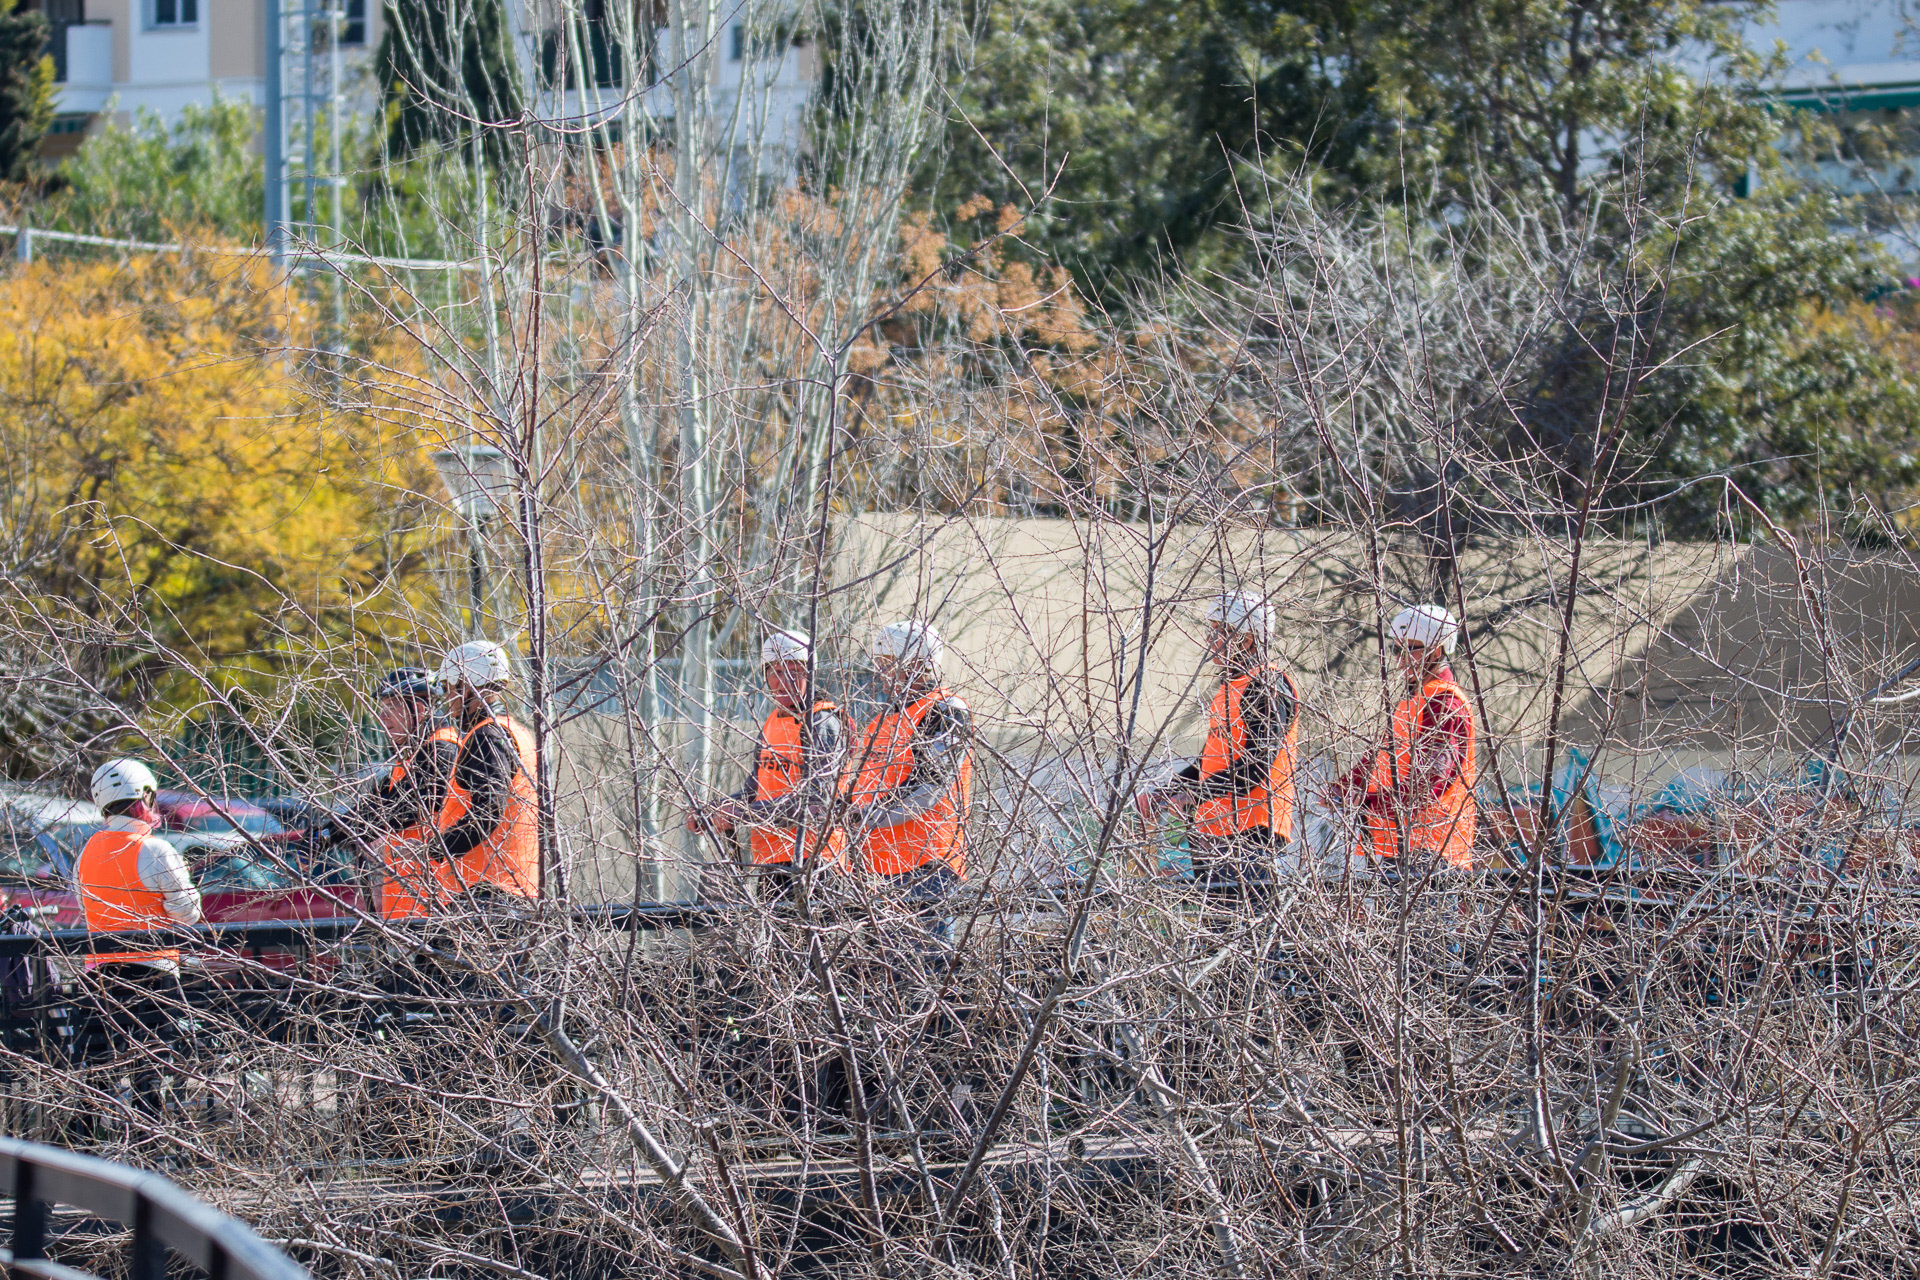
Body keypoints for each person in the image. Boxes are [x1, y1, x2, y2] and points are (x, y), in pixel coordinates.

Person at [1136, 591, 1300, 887]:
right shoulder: (1231, 687)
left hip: (1251, 830)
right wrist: (1166, 792)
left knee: (1243, 927)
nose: (1210, 639)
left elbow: (1258, 765)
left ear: (1248, 639)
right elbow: (1209, 764)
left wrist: (1193, 795)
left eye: (1219, 631)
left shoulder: (1267, 686)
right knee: (1215, 928)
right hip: (1214, 830)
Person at [74, 758, 203, 1113]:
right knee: (154, 1081)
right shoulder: (157, 849)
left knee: (98, 1079)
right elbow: (189, 914)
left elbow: (87, 910)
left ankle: (85, 1156)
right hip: (153, 977)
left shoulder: (85, 852)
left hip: (98, 979)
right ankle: (155, 1155)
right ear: (143, 797)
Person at [686, 629, 850, 886]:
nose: (784, 681)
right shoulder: (773, 723)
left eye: (795, 672)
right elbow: (755, 790)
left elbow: (817, 805)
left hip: (817, 864)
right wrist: (716, 809)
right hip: (773, 862)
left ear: (811, 674)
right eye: (776, 671)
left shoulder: (822, 722)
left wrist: (741, 813)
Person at [1331, 604, 1478, 872]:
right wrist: (1345, 787)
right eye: (1397, 649)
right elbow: (1382, 762)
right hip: (1397, 845)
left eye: (1410, 649)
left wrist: (1366, 801)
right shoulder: (1413, 702)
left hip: (1430, 851)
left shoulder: (1444, 703)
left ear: (1436, 651)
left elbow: (1431, 783)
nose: (1400, 659)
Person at [843, 620, 974, 895]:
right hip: (874, 869)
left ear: (916, 664)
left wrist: (865, 816)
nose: (879, 671)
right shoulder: (881, 722)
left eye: (887, 662)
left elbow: (928, 789)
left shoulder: (946, 711)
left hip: (925, 868)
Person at [335, 668, 463, 919]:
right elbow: (371, 807)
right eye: (382, 708)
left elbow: (401, 808)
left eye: (391, 706)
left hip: (434, 904)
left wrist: (347, 830)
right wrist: (327, 833)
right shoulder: (410, 759)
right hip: (408, 905)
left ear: (420, 708)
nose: (382, 717)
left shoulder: (442, 749)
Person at [434, 640, 540, 900]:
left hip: (485, 893)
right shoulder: (518, 733)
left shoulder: (487, 737)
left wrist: (435, 850)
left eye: (450, 688)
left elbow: (489, 810)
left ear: (467, 686)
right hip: (515, 887)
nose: (448, 699)